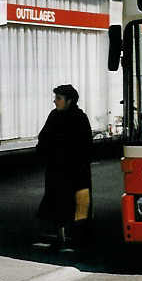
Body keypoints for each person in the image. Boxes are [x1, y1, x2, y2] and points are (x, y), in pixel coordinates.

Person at [36, 84, 93, 250]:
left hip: (75, 171)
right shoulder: (54, 116)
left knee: (78, 205)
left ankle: (77, 238)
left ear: (70, 101)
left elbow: (85, 146)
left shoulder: (79, 119)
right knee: (58, 204)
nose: (55, 101)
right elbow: (43, 137)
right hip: (57, 170)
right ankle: (61, 236)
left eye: (59, 98)